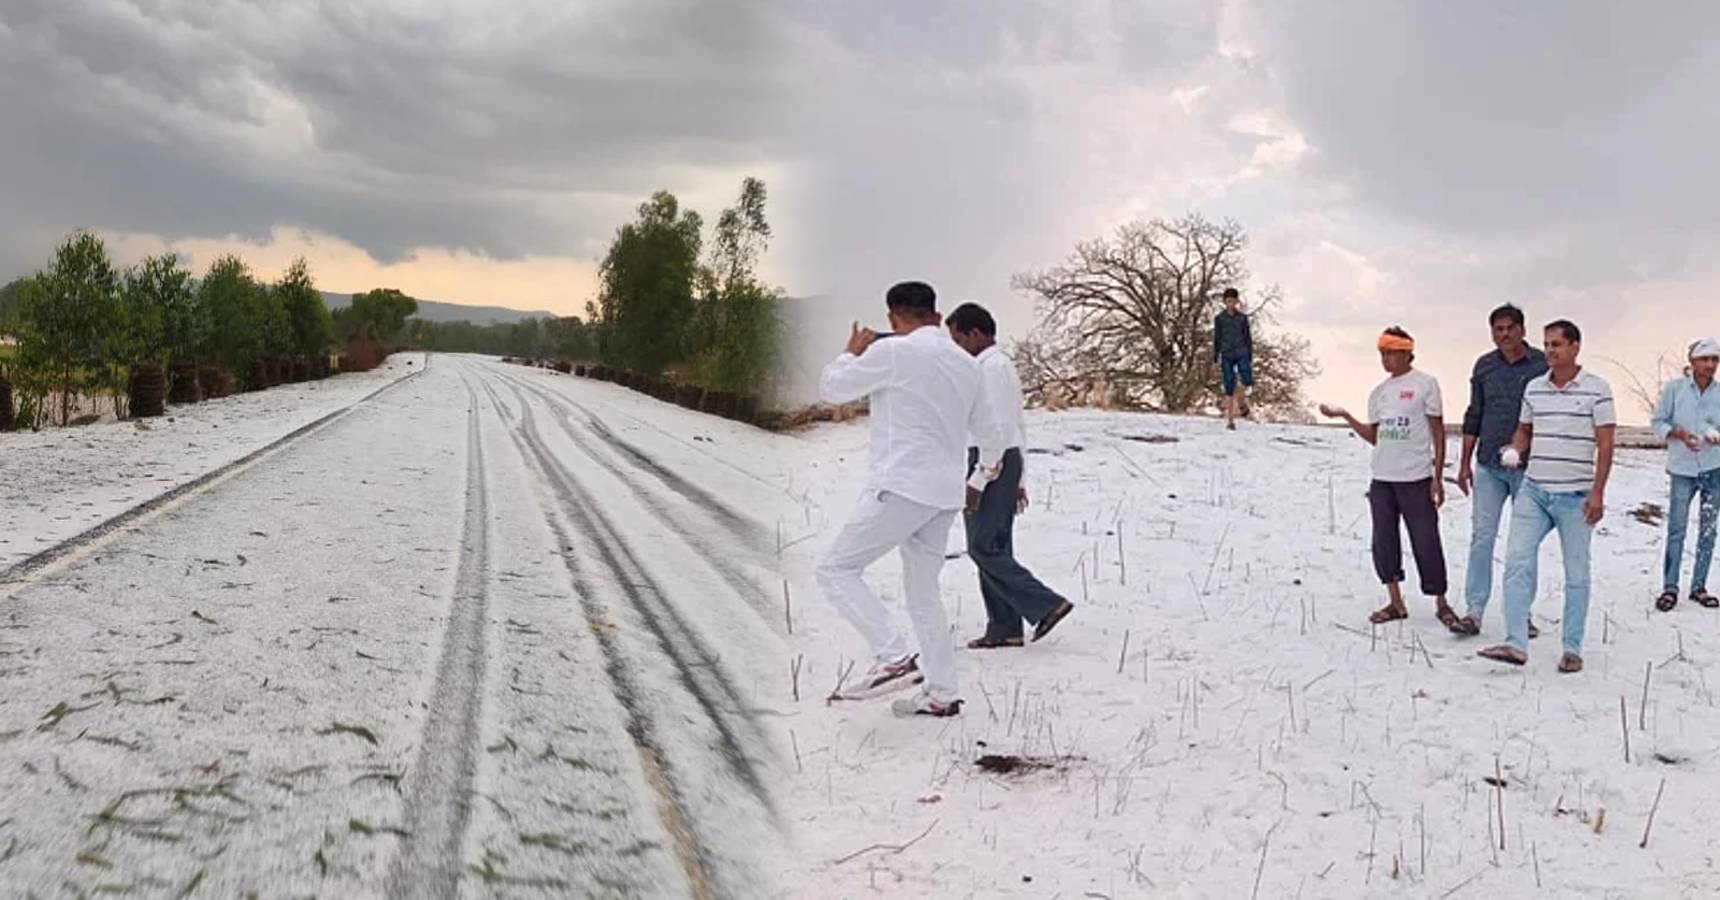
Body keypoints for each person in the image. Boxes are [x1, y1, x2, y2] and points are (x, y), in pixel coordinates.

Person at [814, 281, 1003, 718]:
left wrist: (852, 352)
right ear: (937, 316)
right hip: (944, 493)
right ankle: (942, 692)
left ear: (893, 318)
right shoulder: (966, 364)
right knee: (923, 592)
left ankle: (893, 656)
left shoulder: (894, 351)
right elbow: (991, 437)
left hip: (901, 485)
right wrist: (976, 480)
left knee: (836, 569)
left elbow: (833, 388)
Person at [1479, 320, 1616, 673]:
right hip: (1535, 491)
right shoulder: (1534, 387)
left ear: (1575, 347)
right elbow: (1525, 428)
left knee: (1577, 572)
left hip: (1576, 495)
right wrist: (1516, 448)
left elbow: (1605, 443)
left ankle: (1572, 648)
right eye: (1547, 344)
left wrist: (1597, 492)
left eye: (1557, 344)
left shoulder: (1597, 389)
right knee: (1517, 561)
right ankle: (1515, 643)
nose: (1551, 351)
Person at [945, 302, 1074, 649]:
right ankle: (1004, 627)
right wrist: (1018, 479)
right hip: (1003, 459)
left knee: (982, 546)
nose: (956, 347)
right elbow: (1018, 425)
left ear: (975, 334)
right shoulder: (995, 366)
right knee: (996, 544)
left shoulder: (990, 370)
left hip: (992, 459)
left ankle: (1046, 603)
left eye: (958, 339)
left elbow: (999, 428)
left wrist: (979, 479)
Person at [1319, 327, 1456, 626]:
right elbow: (1375, 436)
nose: (1386, 358)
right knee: (1384, 539)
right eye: (1382, 353)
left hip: (1416, 476)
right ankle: (1395, 601)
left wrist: (1438, 475)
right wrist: (1346, 416)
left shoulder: (1425, 384)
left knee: (1426, 539)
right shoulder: (1379, 393)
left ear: (1407, 352)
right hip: (1383, 477)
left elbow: (1437, 432)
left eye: (1392, 352)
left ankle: (1441, 601)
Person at [1450, 304, 1549, 636]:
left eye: (1509, 328)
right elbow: (1473, 413)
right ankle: (1474, 611)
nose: (1504, 335)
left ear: (1522, 329)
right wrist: (1464, 462)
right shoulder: (1484, 366)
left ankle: (1521, 614)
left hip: (1529, 465)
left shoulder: (1541, 365)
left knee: (1523, 543)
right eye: (1497, 329)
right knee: (1482, 538)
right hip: (1489, 465)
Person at [1649, 337, 1720, 612]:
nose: (1710, 365)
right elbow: (1657, 422)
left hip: (1714, 468)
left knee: (1709, 529)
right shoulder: (1675, 389)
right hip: (1682, 468)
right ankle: (1670, 587)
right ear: (1692, 362)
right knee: (1677, 528)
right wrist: (1678, 433)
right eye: (1705, 359)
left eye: (1715, 359)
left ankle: (1699, 587)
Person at [1215, 288, 1253, 430]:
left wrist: (1249, 355)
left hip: (1242, 351)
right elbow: (1217, 339)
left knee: (1247, 380)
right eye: (1228, 301)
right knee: (1229, 385)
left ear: (1237, 301)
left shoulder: (1242, 318)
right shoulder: (1219, 319)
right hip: (1226, 353)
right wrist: (1215, 358)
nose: (1231, 304)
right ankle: (1230, 421)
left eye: (1233, 301)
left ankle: (1242, 401)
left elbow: (1248, 337)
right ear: (1225, 302)